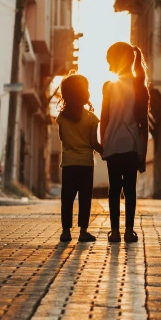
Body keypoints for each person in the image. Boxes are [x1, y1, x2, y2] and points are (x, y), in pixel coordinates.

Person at [101, 42, 149, 243]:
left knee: (114, 190)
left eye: (110, 59)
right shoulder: (139, 86)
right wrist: (143, 152)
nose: (109, 64)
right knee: (130, 191)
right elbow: (143, 124)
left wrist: (103, 143)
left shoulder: (109, 86)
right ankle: (129, 231)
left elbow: (104, 118)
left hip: (112, 145)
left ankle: (114, 232)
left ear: (117, 60)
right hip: (131, 145)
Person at [56, 73, 103, 242]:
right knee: (84, 199)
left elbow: (63, 138)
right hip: (85, 164)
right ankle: (83, 232)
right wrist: (104, 152)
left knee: (67, 198)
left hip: (68, 163)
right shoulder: (91, 118)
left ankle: (65, 232)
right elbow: (93, 143)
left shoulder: (61, 118)